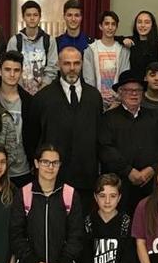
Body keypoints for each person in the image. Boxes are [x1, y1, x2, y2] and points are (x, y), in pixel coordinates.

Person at [10, 144, 84, 263]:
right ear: (36, 163)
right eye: (45, 162)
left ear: (60, 165)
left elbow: (77, 235)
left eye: (55, 163)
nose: (50, 167)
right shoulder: (24, 194)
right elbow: (16, 234)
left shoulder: (70, 194)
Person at [24, 46, 103, 202]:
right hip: (53, 179)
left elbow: (99, 136)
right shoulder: (42, 98)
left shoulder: (94, 96)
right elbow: (31, 138)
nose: (72, 68)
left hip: (86, 179)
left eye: (76, 63)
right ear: (59, 64)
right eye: (67, 63)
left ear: (82, 64)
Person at [99, 70, 158, 216]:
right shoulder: (108, 118)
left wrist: (151, 168)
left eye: (138, 90)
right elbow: (105, 149)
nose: (134, 94)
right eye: (129, 90)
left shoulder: (154, 117)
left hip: (149, 185)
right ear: (120, 92)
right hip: (118, 186)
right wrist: (128, 171)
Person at [0, 50, 35, 187]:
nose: (12, 74)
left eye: (16, 70)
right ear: (0, 71)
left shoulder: (29, 102)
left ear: (21, 72)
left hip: (22, 170)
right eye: (7, 70)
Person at [7, 0, 58, 94]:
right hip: (20, 92)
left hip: (44, 92)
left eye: (35, 15)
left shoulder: (49, 41)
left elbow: (52, 68)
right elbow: (11, 67)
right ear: (23, 17)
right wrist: (24, 90)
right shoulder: (15, 41)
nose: (32, 18)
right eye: (28, 15)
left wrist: (42, 88)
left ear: (40, 17)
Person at [83, 10, 131, 110]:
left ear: (116, 27)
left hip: (118, 102)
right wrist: (96, 99)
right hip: (95, 102)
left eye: (113, 24)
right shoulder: (90, 50)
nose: (110, 27)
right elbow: (88, 79)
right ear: (101, 26)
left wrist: (117, 99)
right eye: (107, 24)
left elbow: (125, 76)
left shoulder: (123, 50)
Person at [127, 10, 158, 77]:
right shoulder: (131, 41)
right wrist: (123, 40)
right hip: (136, 84)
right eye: (139, 22)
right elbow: (115, 38)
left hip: (154, 83)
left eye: (147, 22)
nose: (142, 25)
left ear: (152, 25)